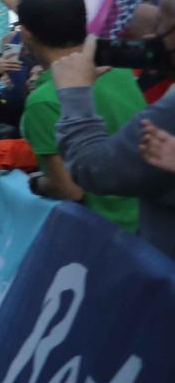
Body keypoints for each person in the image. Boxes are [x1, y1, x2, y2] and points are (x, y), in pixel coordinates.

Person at [15, 0, 145, 233]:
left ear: (26, 33)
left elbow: (68, 189)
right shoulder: (117, 70)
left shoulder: (43, 99)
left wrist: (36, 184)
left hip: (104, 237)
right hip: (148, 223)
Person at [49, 38, 175, 257]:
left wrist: (74, 94)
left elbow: (92, 169)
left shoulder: (40, 101)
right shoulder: (125, 76)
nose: (148, 39)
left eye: (161, 29)